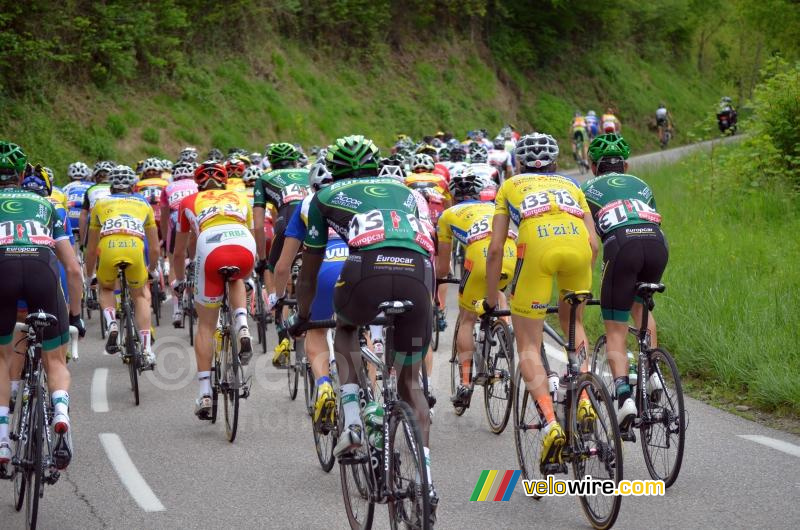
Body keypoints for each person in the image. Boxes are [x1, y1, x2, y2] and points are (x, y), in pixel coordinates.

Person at [290, 134, 437, 516]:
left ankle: (353, 420)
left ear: (333, 170)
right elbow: (429, 247)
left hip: (364, 272)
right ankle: (427, 482)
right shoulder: (410, 193)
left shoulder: (323, 197)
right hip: (418, 276)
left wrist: (303, 317)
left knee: (346, 329)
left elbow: (309, 270)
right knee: (410, 384)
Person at [483, 133, 598, 467]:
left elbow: (494, 249)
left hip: (535, 249)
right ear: (556, 162)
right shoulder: (573, 186)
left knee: (529, 346)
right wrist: (580, 280)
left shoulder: (510, 186)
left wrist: (493, 299)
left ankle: (549, 423)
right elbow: (593, 243)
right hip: (577, 252)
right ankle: (586, 397)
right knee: (573, 324)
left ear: (518, 163)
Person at [0, 142, 83, 469]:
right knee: (55, 359)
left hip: (2, 270)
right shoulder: (47, 205)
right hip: (42, 273)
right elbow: (73, 269)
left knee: (4, 358)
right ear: (22, 175)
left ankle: (3, 442)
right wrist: (75, 316)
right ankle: (60, 413)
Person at [583, 133, 667, 424]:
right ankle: (655, 375)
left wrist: (588, 281)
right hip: (657, 243)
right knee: (641, 306)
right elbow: (655, 218)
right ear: (626, 166)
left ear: (594, 167)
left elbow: (591, 241)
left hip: (621, 245)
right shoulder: (642, 185)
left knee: (616, 327)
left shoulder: (587, 188)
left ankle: (623, 396)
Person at [171, 162, 257, 420]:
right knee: (237, 278)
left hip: (210, 247)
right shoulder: (241, 197)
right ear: (225, 182)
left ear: (199, 184)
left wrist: (178, 281)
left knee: (206, 326)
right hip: (244, 243)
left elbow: (179, 252)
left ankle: (205, 392)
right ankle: (242, 322)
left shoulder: (188, 201)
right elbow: (252, 234)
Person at [273, 162, 344, 429]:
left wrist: (278, 299)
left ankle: (324, 384)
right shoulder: (356, 197)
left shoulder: (306, 204)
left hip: (323, 269)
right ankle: (369, 396)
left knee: (315, 331)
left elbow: (282, 266)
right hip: (358, 268)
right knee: (362, 329)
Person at [437, 169, 516, 408]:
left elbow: (442, 265)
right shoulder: (492, 207)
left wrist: (442, 278)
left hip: (481, 256)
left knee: (467, 317)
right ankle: (506, 327)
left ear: (453, 196)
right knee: (497, 290)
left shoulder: (447, 214)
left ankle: (465, 382)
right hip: (509, 254)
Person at [85, 165, 160, 366]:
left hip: (108, 248)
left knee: (107, 288)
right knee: (141, 295)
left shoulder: (100, 204)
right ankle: (146, 349)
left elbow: (90, 249)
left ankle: (111, 325)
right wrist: (152, 269)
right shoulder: (144, 204)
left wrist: (89, 275)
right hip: (135, 249)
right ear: (133, 186)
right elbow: (154, 248)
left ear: (111, 186)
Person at [252, 142, 311, 366]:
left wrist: (262, 258)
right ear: (296, 160)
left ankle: (283, 340)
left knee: (277, 274)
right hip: (315, 223)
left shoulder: (265, 178)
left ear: (271, 161)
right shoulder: (308, 172)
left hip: (287, 225)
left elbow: (258, 225)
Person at [160, 162, 199, 326]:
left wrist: (164, 238)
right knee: (197, 260)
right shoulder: (197, 185)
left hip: (175, 223)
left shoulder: (167, 188)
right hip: (194, 221)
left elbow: (164, 216)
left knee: (175, 260)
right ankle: (197, 299)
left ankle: (176, 310)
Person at [79, 161, 114, 247]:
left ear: (95, 177)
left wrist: (82, 241)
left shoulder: (91, 189)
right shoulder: (118, 190)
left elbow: (83, 216)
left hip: (95, 228)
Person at [63, 162, 93, 246]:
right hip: (86, 218)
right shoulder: (93, 186)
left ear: (69, 176)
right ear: (87, 176)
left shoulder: (66, 187)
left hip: (69, 216)